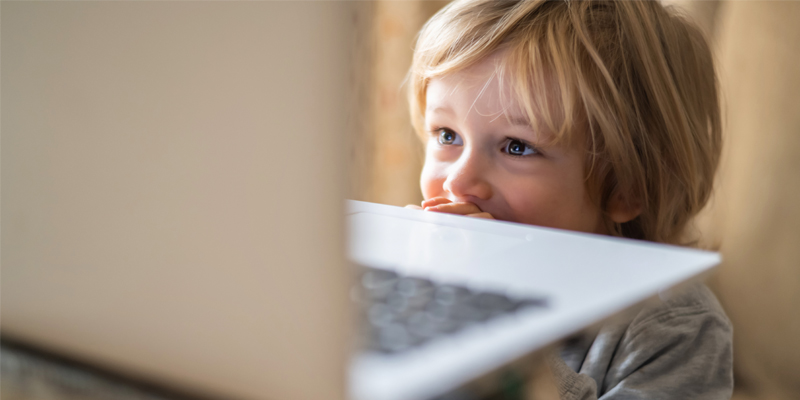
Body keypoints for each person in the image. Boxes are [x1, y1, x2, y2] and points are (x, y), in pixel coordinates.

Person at [404, 1, 733, 399]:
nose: (458, 182)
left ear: (628, 187)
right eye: (447, 135)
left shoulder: (673, 327)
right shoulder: (429, 283)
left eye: (517, 147)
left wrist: (496, 327)